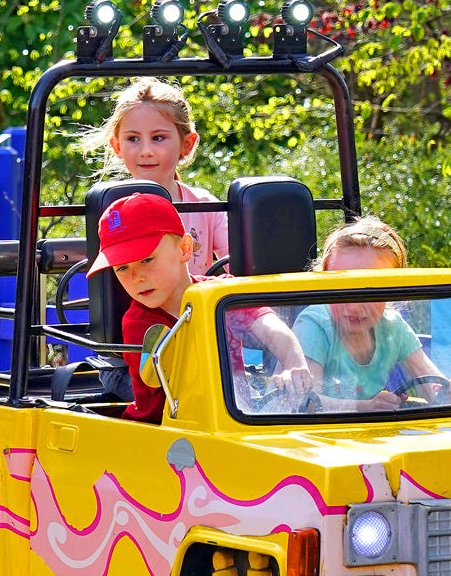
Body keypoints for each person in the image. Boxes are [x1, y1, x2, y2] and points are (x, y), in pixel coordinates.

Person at [91, 192, 311, 423]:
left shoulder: (222, 293)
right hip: (164, 430)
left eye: (146, 259)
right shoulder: (140, 323)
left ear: (185, 248)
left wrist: (293, 362)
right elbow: (184, 390)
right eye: (122, 268)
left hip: (234, 420)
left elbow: (269, 326)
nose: (136, 277)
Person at [292, 216, 451, 411]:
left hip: (363, 434)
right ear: (324, 283)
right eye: (341, 288)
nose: (355, 306)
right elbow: (305, 404)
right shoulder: (314, 324)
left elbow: (431, 384)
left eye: (372, 290)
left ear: (393, 289)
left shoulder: (392, 327)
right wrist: (365, 407)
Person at [80, 77, 228, 276]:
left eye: (158, 138)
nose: (146, 151)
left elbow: (242, 266)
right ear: (117, 146)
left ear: (187, 144)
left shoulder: (205, 206)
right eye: (133, 139)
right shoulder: (113, 211)